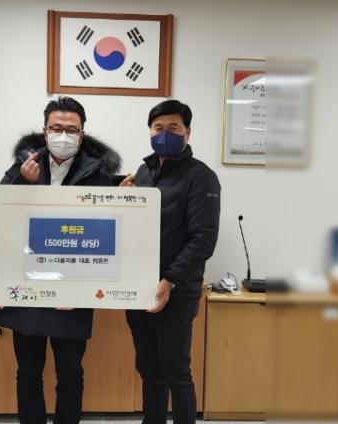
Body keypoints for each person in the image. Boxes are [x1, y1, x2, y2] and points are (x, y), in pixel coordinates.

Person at [0, 96, 120, 424]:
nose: (63, 135)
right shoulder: (25, 165)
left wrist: (126, 198)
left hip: (74, 288)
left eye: (71, 129)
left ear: (82, 133)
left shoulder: (98, 172)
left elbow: (109, 230)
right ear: (45, 130)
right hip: (28, 285)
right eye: (56, 128)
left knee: (71, 372)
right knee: (28, 371)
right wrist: (22, 183)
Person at [121, 100, 221, 424]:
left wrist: (170, 279)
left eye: (173, 128)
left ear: (187, 132)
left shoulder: (201, 177)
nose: (165, 134)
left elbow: (203, 239)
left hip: (176, 291)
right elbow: (134, 228)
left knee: (177, 373)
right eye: (158, 128)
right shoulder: (143, 173)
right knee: (149, 370)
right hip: (141, 289)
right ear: (150, 132)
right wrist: (122, 199)